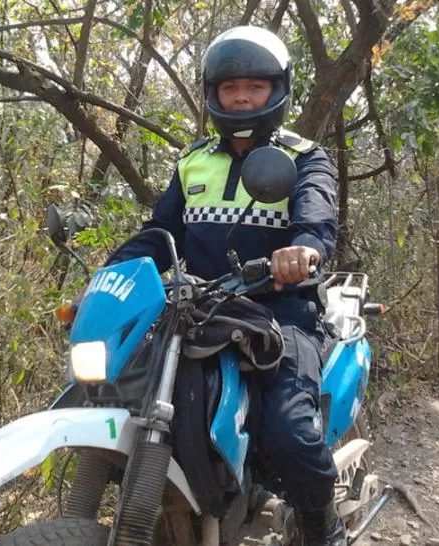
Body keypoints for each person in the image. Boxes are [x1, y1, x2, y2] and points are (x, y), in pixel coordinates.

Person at [107, 26, 344, 546]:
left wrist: (302, 250)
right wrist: (110, 273)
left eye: (254, 87)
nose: (241, 97)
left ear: (277, 90)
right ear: (213, 93)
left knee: (288, 433)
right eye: (230, 87)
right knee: (115, 396)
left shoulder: (305, 157)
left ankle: (323, 527)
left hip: (281, 312)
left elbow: (317, 221)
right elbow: (160, 231)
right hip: (200, 311)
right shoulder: (192, 160)